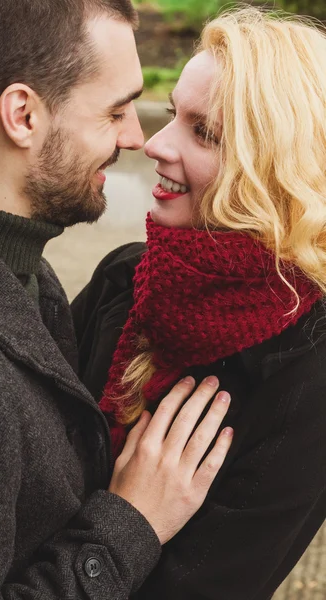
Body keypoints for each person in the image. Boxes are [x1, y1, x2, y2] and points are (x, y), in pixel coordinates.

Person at [0, 1, 234, 598]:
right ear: (23, 115)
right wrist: (130, 524)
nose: (136, 137)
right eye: (115, 111)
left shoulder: (11, 268)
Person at [72, 7, 326, 599]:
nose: (155, 144)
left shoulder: (309, 369)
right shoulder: (124, 275)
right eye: (172, 117)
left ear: (276, 167)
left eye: (203, 131)